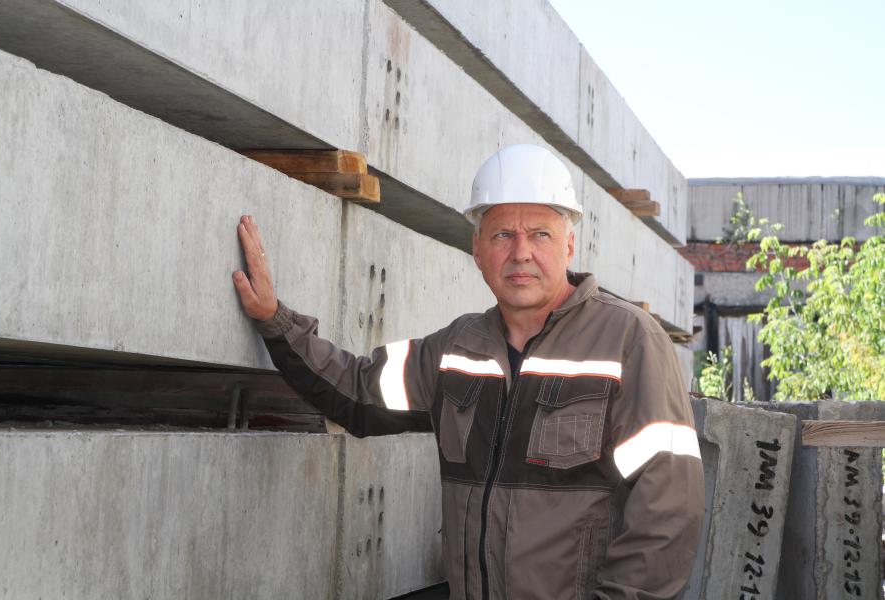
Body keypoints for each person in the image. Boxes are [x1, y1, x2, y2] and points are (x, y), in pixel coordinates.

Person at [232, 144, 704, 599]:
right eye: (502, 235)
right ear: (477, 250)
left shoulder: (628, 341)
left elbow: (668, 510)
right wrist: (276, 320)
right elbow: (356, 391)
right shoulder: (457, 350)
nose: (521, 252)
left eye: (540, 234)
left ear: (569, 246)